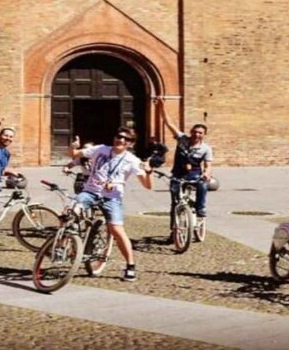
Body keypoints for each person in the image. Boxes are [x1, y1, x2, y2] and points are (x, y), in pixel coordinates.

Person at [65, 127, 153, 282]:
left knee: (116, 229)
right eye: (119, 136)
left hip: (111, 197)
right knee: (68, 212)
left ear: (130, 144)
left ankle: (130, 265)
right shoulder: (101, 149)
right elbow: (74, 155)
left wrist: (149, 171)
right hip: (91, 192)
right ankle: (61, 244)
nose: (121, 140)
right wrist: (73, 146)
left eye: (126, 139)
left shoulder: (132, 160)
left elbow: (147, 186)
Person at [154, 97, 213, 226]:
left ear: (204, 135)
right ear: (191, 132)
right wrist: (161, 107)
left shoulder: (206, 148)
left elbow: (208, 165)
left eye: (200, 133)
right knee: (175, 203)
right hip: (177, 174)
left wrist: (207, 174)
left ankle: (200, 208)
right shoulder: (182, 139)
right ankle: (174, 229)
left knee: (203, 185)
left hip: (194, 174)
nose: (197, 134)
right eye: (195, 132)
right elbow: (169, 123)